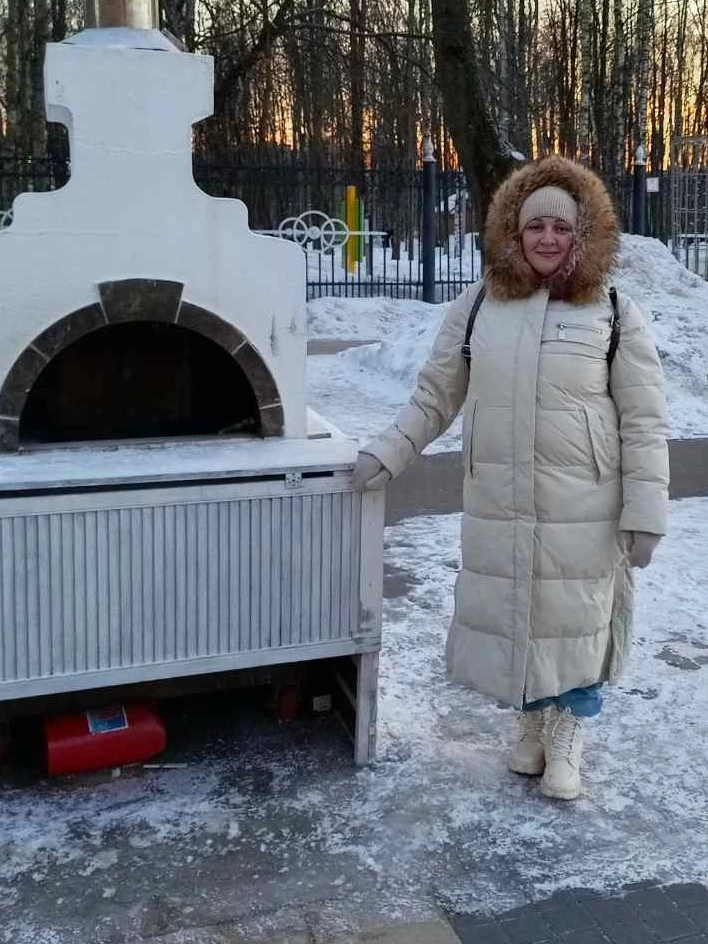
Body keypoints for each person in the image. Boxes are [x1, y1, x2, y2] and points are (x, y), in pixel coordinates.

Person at [352, 155, 669, 800]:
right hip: (500, 500)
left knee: (575, 620)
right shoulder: (478, 309)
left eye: (560, 226)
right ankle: (528, 723)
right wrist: (390, 449)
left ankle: (566, 737)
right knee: (520, 615)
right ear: (513, 234)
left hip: (584, 503)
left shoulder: (613, 311)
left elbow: (643, 420)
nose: (547, 239)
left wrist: (644, 512)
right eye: (534, 227)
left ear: (582, 234)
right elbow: (435, 396)